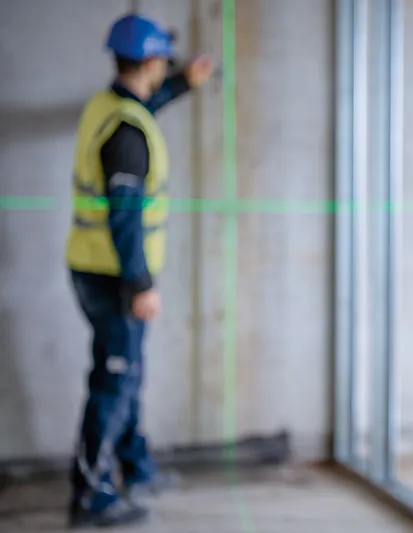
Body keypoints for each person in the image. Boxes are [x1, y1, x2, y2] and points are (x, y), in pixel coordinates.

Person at [64, 13, 215, 528]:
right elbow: (124, 217)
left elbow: (144, 105)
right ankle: (91, 496)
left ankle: (135, 469)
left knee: (127, 375)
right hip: (113, 275)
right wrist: (141, 285)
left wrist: (183, 85)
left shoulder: (110, 106)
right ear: (150, 60)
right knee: (115, 381)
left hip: (99, 269)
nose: (162, 69)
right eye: (163, 64)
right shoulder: (126, 134)